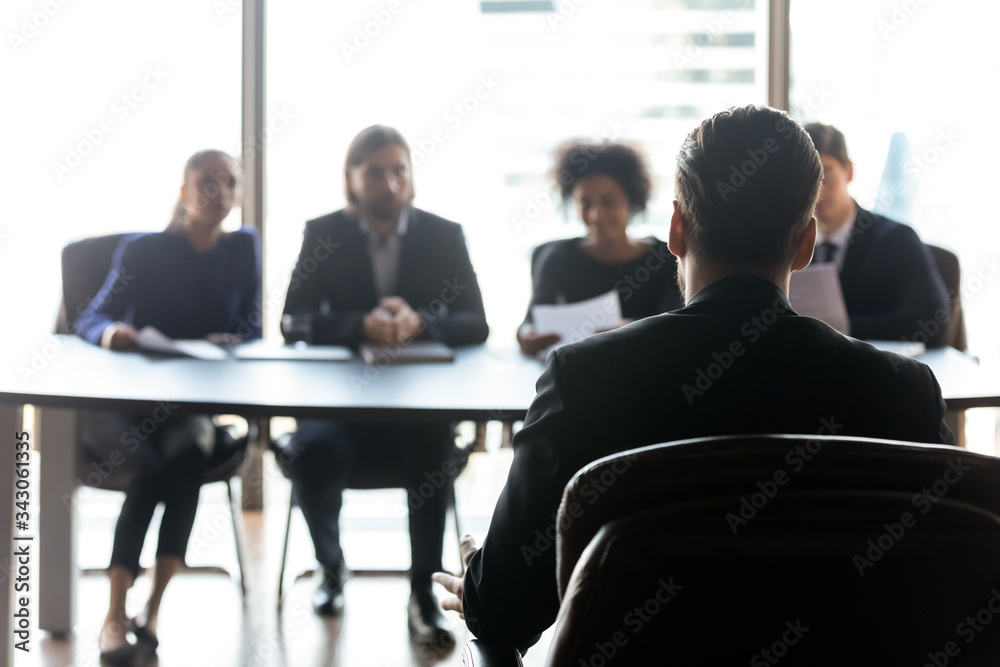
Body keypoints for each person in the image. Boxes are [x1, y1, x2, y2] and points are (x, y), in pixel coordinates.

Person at [432, 105, 954, 653]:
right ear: (805, 244)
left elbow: (504, 613)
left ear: (677, 229)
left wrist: (480, 586)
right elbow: (944, 581)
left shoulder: (586, 379)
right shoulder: (902, 393)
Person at [279, 125, 488, 648]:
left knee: (434, 445)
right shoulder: (323, 232)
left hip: (416, 406)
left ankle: (422, 590)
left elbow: (477, 324)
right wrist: (358, 325)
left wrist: (419, 321)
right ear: (351, 179)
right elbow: (291, 322)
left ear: (411, 177)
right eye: (374, 172)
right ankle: (331, 570)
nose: (389, 183)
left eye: (399, 170)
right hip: (341, 407)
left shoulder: (444, 234)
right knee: (309, 452)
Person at [73, 149, 260, 663]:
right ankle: (115, 614)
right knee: (153, 469)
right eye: (205, 181)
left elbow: (255, 327)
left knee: (187, 455)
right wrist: (112, 333)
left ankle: (151, 609)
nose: (217, 191)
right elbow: (90, 318)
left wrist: (235, 339)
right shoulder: (144, 251)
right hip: (127, 404)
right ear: (182, 192)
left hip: (189, 407)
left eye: (228, 182)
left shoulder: (243, 248)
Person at [517, 141, 684, 355]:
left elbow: (679, 329)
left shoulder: (666, 258)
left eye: (608, 201)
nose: (596, 215)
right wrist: (527, 336)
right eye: (585, 203)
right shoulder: (557, 258)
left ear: (631, 200)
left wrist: (634, 330)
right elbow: (530, 322)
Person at [803, 122, 950, 346]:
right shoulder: (791, 244)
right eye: (808, 180)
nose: (818, 193)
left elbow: (933, 321)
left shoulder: (897, 240)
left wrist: (842, 329)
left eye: (825, 176)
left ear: (849, 171)